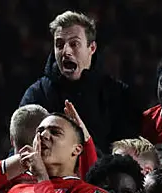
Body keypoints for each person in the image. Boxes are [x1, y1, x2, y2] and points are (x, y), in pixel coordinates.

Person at [19, 11, 142, 153]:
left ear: (92, 48)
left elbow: (129, 156)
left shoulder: (118, 95)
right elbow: (20, 149)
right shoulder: (37, 94)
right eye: (59, 44)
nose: (66, 51)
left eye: (74, 44)